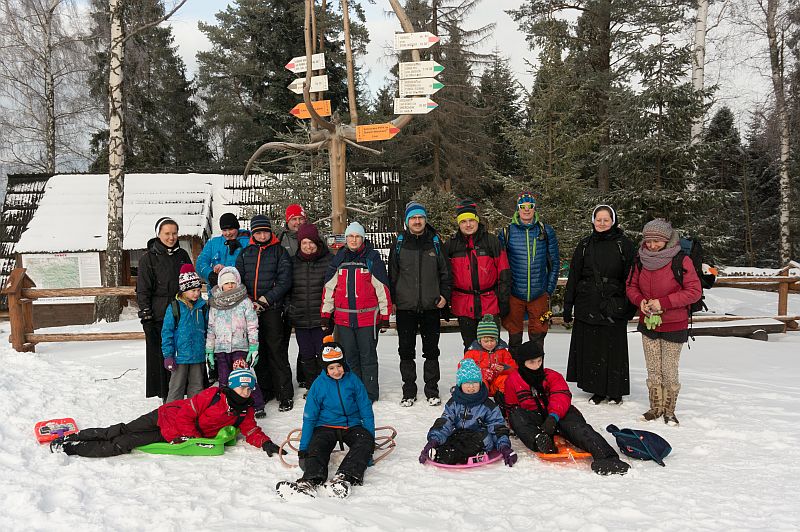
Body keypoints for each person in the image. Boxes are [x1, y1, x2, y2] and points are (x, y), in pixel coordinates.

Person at [50, 368, 283, 458]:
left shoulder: (245, 409)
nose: (246, 391)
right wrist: (190, 438)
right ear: (231, 385)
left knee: (124, 443)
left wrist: (265, 444)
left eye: (249, 387)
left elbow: (251, 429)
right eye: (242, 386)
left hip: (171, 434)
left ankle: (72, 449)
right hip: (165, 417)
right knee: (122, 429)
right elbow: (185, 416)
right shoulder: (212, 396)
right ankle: (74, 436)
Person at [504, 341, 630, 475]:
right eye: (531, 362)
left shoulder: (552, 376)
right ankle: (540, 441)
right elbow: (512, 407)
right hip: (535, 421)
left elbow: (561, 396)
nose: (536, 366)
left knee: (579, 428)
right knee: (516, 414)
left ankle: (607, 457)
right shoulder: (513, 380)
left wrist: (553, 417)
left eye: (539, 361)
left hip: (558, 415)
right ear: (522, 363)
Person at [276, 336, 375, 499]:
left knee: (364, 440)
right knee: (317, 446)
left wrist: (369, 447)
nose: (336, 371)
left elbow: (366, 411)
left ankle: (344, 477)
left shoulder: (354, 381)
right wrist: (303, 450)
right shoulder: (318, 385)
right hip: (326, 426)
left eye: (339, 366)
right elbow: (309, 418)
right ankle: (309, 482)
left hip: (351, 425)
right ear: (325, 369)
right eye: (331, 368)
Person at [626, 218, 701, 426]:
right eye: (648, 241)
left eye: (657, 241)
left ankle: (669, 410)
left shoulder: (681, 260)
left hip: (674, 324)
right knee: (653, 368)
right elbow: (631, 286)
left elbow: (694, 292)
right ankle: (655, 407)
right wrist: (640, 301)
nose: (652, 245)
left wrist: (663, 303)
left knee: (669, 369)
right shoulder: (640, 259)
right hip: (648, 322)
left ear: (667, 240)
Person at [564, 205, 636, 405]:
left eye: (606, 219)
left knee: (613, 348)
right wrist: (568, 304)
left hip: (613, 303)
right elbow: (574, 276)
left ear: (613, 221)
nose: (602, 223)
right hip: (587, 303)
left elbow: (632, 278)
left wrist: (629, 305)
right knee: (592, 348)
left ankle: (615, 391)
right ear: (593, 221)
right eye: (599, 219)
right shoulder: (585, 244)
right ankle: (596, 389)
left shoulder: (624, 245)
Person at [388, 201, 451, 407]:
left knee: (431, 350)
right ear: (407, 221)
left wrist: (444, 295)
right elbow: (392, 275)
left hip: (431, 306)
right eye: (413, 218)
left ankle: (431, 389)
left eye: (420, 218)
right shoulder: (398, 243)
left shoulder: (434, 241)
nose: (417, 221)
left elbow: (445, 272)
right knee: (406, 350)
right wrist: (394, 301)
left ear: (425, 220)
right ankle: (409, 390)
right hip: (405, 307)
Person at [321, 221, 391, 402]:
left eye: (357, 236)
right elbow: (330, 288)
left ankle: (369, 393)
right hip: (344, 318)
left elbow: (382, 288)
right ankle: (354, 391)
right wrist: (326, 313)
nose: (354, 240)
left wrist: (385, 315)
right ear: (346, 239)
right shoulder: (339, 259)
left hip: (367, 318)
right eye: (350, 236)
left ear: (363, 238)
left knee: (367, 357)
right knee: (349, 357)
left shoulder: (372, 258)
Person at [236, 214, 295, 412]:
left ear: (270, 232)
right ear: (253, 233)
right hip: (251, 308)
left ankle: (285, 393)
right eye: (258, 232)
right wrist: (249, 301)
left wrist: (265, 300)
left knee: (276, 350)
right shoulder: (245, 253)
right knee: (257, 350)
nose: (262, 235)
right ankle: (266, 389)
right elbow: (238, 279)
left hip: (272, 308)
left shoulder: (279, 252)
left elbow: (285, 280)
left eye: (265, 232)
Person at [419, 358, 517, 467]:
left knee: (470, 443)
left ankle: (447, 455)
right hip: (460, 434)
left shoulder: (488, 405)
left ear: (480, 383)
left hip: (481, 437)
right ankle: (441, 450)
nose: (471, 387)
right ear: (460, 384)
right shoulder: (454, 403)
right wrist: (433, 441)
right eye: (467, 383)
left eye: (475, 382)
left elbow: (497, 427)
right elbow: (445, 421)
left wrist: (504, 447)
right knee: (450, 438)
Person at [136, 217, 192, 401]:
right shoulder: (148, 258)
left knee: (183, 354)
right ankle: (165, 398)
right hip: (159, 315)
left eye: (174, 233)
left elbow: (191, 283)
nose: (171, 237)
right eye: (167, 233)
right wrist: (146, 316)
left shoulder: (182, 255)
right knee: (163, 357)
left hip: (182, 312)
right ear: (158, 234)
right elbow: (143, 289)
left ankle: (183, 394)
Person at [498, 191, 559, 355]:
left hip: (539, 294)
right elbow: (500, 264)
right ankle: (515, 376)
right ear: (517, 209)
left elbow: (554, 263)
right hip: (515, 293)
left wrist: (549, 290)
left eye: (530, 206)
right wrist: (504, 290)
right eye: (522, 207)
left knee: (538, 337)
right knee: (514, 338)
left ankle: (536, 376)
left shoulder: (546, 231)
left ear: (534, 208)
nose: (526, 210)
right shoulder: (506, 232)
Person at [444, 198, 511, 348]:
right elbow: (445, 276)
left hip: (489, 303)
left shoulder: (491, 242)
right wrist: (445, 303)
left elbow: (504, 272)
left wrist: (504, 300)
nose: (468, 225)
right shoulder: (451, 245)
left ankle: (493, 372)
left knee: (492, 346)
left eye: (471, 220)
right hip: (463, 304)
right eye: (463, 221)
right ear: (459, 224)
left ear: (477, 220)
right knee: (471, 347)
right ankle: (471, 372)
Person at [205, 266, 266, 417]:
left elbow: (252, 325)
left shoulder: (244, 302)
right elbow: (211, 328)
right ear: (221, 284)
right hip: (221, 348)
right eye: (226, 283)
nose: (230, 285)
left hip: (240, 346)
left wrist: (253, 347)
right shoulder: (215, 304)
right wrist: (209, 350)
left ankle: (257, 404)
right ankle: (226, 405)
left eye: (232, 282)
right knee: (224, 379)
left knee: (243, 375)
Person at [286, 223, 332, 392]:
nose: (308, 246)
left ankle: (326, 385)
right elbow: (287, 287)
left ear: (317, 242)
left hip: (321, 317)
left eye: (311, 242)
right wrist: (289, 308)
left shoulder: (328, 260)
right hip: (300, 316)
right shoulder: (293, 262)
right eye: (304, 242)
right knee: (306, 354)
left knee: (323, 354)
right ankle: (313, 386)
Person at [161, 264, 209, 403]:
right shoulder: (175, 307)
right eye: (193, 290)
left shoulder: (202, 307)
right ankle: (171, 416)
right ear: (183, 290)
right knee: (176, 389)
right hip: (179, 357)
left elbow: (207, 330)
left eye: (198, 290)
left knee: (197, 389)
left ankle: (194, 417)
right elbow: (167, 333)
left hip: (198, 356)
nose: (196, 293)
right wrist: (168, 355)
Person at [276, 203, 307, 388]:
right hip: (284, 295)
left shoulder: (313, 237)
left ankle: (304, 375)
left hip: (305, 294)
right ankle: (282, 379)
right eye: (293, 219)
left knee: (306, 339)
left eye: (300, 219)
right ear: (288, 221)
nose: (297, 222)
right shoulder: (280, 239)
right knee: (281, 341)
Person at [463, 314, 517, 399]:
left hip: (497, 383)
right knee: (478, 382)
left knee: (505, 379)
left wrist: (504, 369)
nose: (489, 344)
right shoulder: (472, 353)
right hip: (482, 382)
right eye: (486, 341)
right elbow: (463, 369)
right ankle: (479, 399)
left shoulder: (503, 352)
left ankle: (504, 399)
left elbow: (514, 368)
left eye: (492, 340)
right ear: (480, 341)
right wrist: (480, 372)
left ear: (496, 340)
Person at [196, 213, 250, 289]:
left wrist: (226, 271)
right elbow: (200, 263)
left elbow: (250, 267)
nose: (228, 233)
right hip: (216, 292)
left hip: (239, 290)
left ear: (237, 228)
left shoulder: (248, 243)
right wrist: (210, 274)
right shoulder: (213, 243)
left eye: (231, 229)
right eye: (224, 230)